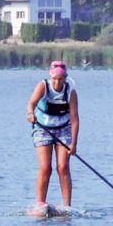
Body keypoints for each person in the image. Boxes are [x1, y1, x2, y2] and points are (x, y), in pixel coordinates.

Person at [26, 60, 79, 210]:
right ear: (51, 77)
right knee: (46, 167)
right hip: (43, 129)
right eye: (54, 79)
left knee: (63, 166)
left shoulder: (70, 90)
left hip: (64, 129)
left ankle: (67, 206)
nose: (57, 82)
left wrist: (73, 144)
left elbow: (75, 119)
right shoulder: (43, 86)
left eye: (60, 79)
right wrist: (30, 114)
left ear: (65, 78)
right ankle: (40, 204)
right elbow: (31, 104)